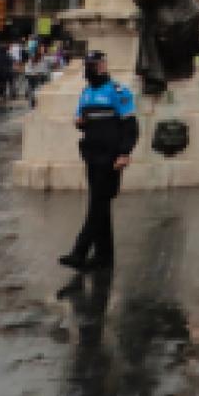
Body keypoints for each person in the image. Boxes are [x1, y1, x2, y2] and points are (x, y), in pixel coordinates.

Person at [59, 52, 138, 273]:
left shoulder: (118, 91)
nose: (92, 68)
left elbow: (130, 126)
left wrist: (124, 153)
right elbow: (82, 121)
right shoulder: (86, 93)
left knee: (97, 205)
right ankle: (104, 256)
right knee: (100, 204)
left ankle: (79, 252)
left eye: (95, 64)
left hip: (111, 156)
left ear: (104, 66)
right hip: (91, 155)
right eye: (89, 65)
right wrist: (79, 122)